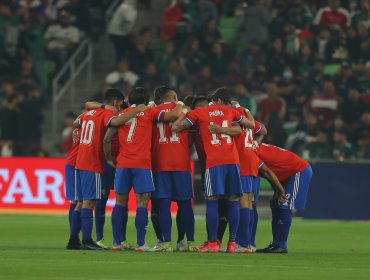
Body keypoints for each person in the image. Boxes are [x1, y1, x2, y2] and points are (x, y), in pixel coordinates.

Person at [172, 87, 255, 253]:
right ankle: (232, 244)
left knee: (212, 199)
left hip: (214, 163)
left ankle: (212, 243)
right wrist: (227, 127)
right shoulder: (231, 111)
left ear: (215, 100)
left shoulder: (199, 113)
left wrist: (184, 112)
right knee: (233, 200)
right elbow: (249, 125)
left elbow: (176, 128)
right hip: (233, 162)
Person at [103, 87, 184, 252]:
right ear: (146, 101)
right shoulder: (150, 113)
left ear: (129, 100)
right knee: (142, 204)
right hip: (142, 165)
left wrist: (109, 158)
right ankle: (141, 244)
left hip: (123, 164)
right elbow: (174, 115)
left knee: (119, 203)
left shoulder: (121, 115)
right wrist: (180, 102)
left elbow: (107, 138)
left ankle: (117, 243)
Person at [73, 88, 140, 250]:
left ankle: (74, 239)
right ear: (116, 102)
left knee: (82, 202)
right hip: (96, 162)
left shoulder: (90, 113)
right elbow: (115, 123)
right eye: (120, 104)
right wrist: (137, 110)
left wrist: (77, 130)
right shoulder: (108, 114)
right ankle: (89, 240)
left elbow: (76, 122)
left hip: (82, 161)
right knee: (92, 202)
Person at [150, 86, 195, 252]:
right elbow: (192, 134)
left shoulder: (153, 112)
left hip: (160, 163)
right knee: (185, 204)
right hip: (181, 163)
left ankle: (166, 243)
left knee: (163, 204)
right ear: (174, 96)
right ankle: (189, 242)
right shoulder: (186, 111)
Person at [255, 143, 313, 253]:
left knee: (283, 204)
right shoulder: (253, 146)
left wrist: (280, 190)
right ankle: (276, 244)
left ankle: (282, 245)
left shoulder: (251, 151)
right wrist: (277, 189)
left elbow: (268, 172)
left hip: (298, 171)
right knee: (275, 203)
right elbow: (269, 172)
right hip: (284, 174)